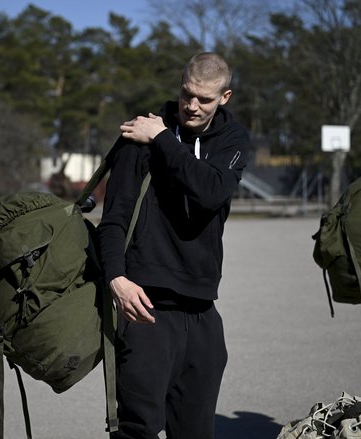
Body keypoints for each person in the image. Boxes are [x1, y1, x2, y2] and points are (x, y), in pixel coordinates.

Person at [98, 52, 251, 439]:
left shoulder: (231, 138)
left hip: (202, 311)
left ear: (225, 98)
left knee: (197, 432)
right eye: (186, 95)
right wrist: (115, 277)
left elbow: (211, 191)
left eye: (204, 99)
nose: (192, 105)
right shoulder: (139, 136)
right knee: (138, 430)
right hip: (147, 309)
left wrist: (164, 139)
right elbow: (113, 218)